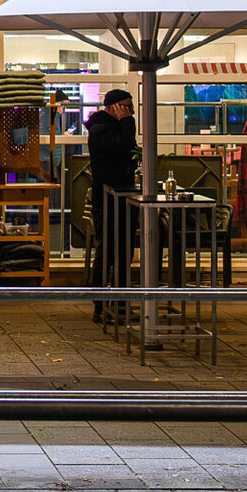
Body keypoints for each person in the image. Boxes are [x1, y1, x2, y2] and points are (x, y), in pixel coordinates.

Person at [85, 88, 139, 320]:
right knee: (107, 250)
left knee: (124, 251)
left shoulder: (110, 127)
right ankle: (100, 305)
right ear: (114, 107)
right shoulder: (101, 128)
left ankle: (120, 302)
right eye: (127, 107)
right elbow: (124, 146)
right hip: (108, 198)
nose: (132, 112)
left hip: (121, 196)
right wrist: (127, 122)